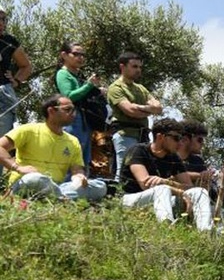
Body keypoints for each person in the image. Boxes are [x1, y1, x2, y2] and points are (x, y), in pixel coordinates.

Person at [0, 95, 107, 202]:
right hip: (28, 182)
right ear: (51, 111)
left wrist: (79, 177)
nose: (73, 113)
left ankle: (56, 197)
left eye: (74, 109)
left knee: (100, 186)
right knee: (35, 179)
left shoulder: (73, 141)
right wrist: (17, 168)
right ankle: (61, 198)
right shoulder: (28, 130)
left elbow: (77, 169)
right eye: (67, 109)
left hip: (57, 186)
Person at [119, 117, 213, 231]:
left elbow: (188, 187)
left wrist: (166, 182)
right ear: (160, 137)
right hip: (130, 199)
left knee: (199, 191)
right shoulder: (138, 151)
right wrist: (177, 191)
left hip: (159, 200)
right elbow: (146, 184)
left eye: (180, 138)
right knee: (162, 189)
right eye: (176, 138)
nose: (179, 143)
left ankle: (205, 231)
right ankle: (166, 227)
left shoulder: (173, 158)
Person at [107, 52, 163, 177]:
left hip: (143, 136)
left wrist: (141, 109)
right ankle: (120, 195)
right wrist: (149, 109)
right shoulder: (116, 88)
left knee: (143, 170)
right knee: (123, 171)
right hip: (125, 134)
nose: (138, 70)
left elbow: (158, 108)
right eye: (134, 66)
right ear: (122, 67)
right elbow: (131, 111)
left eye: (140, 67)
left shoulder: (141, 88)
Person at [54, 42, 106, 171]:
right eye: (76, 54)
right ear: (64, 55)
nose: (81, 57)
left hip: (84, 119)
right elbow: (69, 96)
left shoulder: (78, 76)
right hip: (71, 119)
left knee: (84, 156)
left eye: (83, 55)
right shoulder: (63, 74)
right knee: (71, 153)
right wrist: (89, 85)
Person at [0, 8, 33, 138]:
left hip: (2, 95)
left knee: (2, 142)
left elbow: (26, 66)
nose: (2, 23)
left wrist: (16, 81)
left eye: (4, 19)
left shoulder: (9, 41)